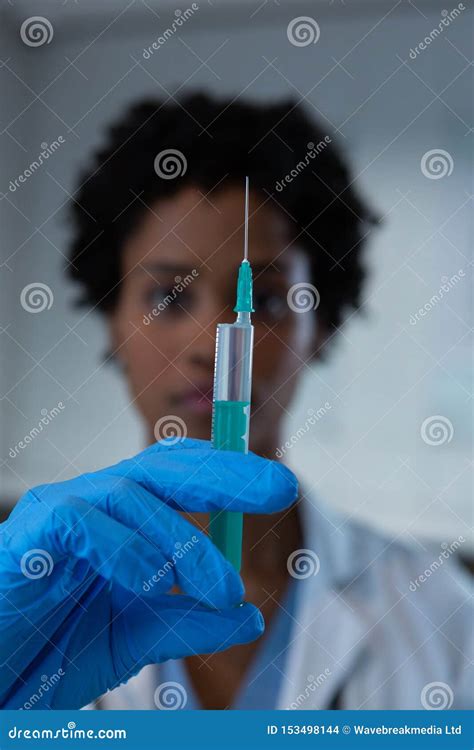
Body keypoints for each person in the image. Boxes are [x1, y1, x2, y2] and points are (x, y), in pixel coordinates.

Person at [0, 93, 471, 711]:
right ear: (110, 318)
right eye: (168, 297)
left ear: (321, 325)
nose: (214, 345)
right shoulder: (29, 597)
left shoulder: (442, 616)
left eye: (268, 301)